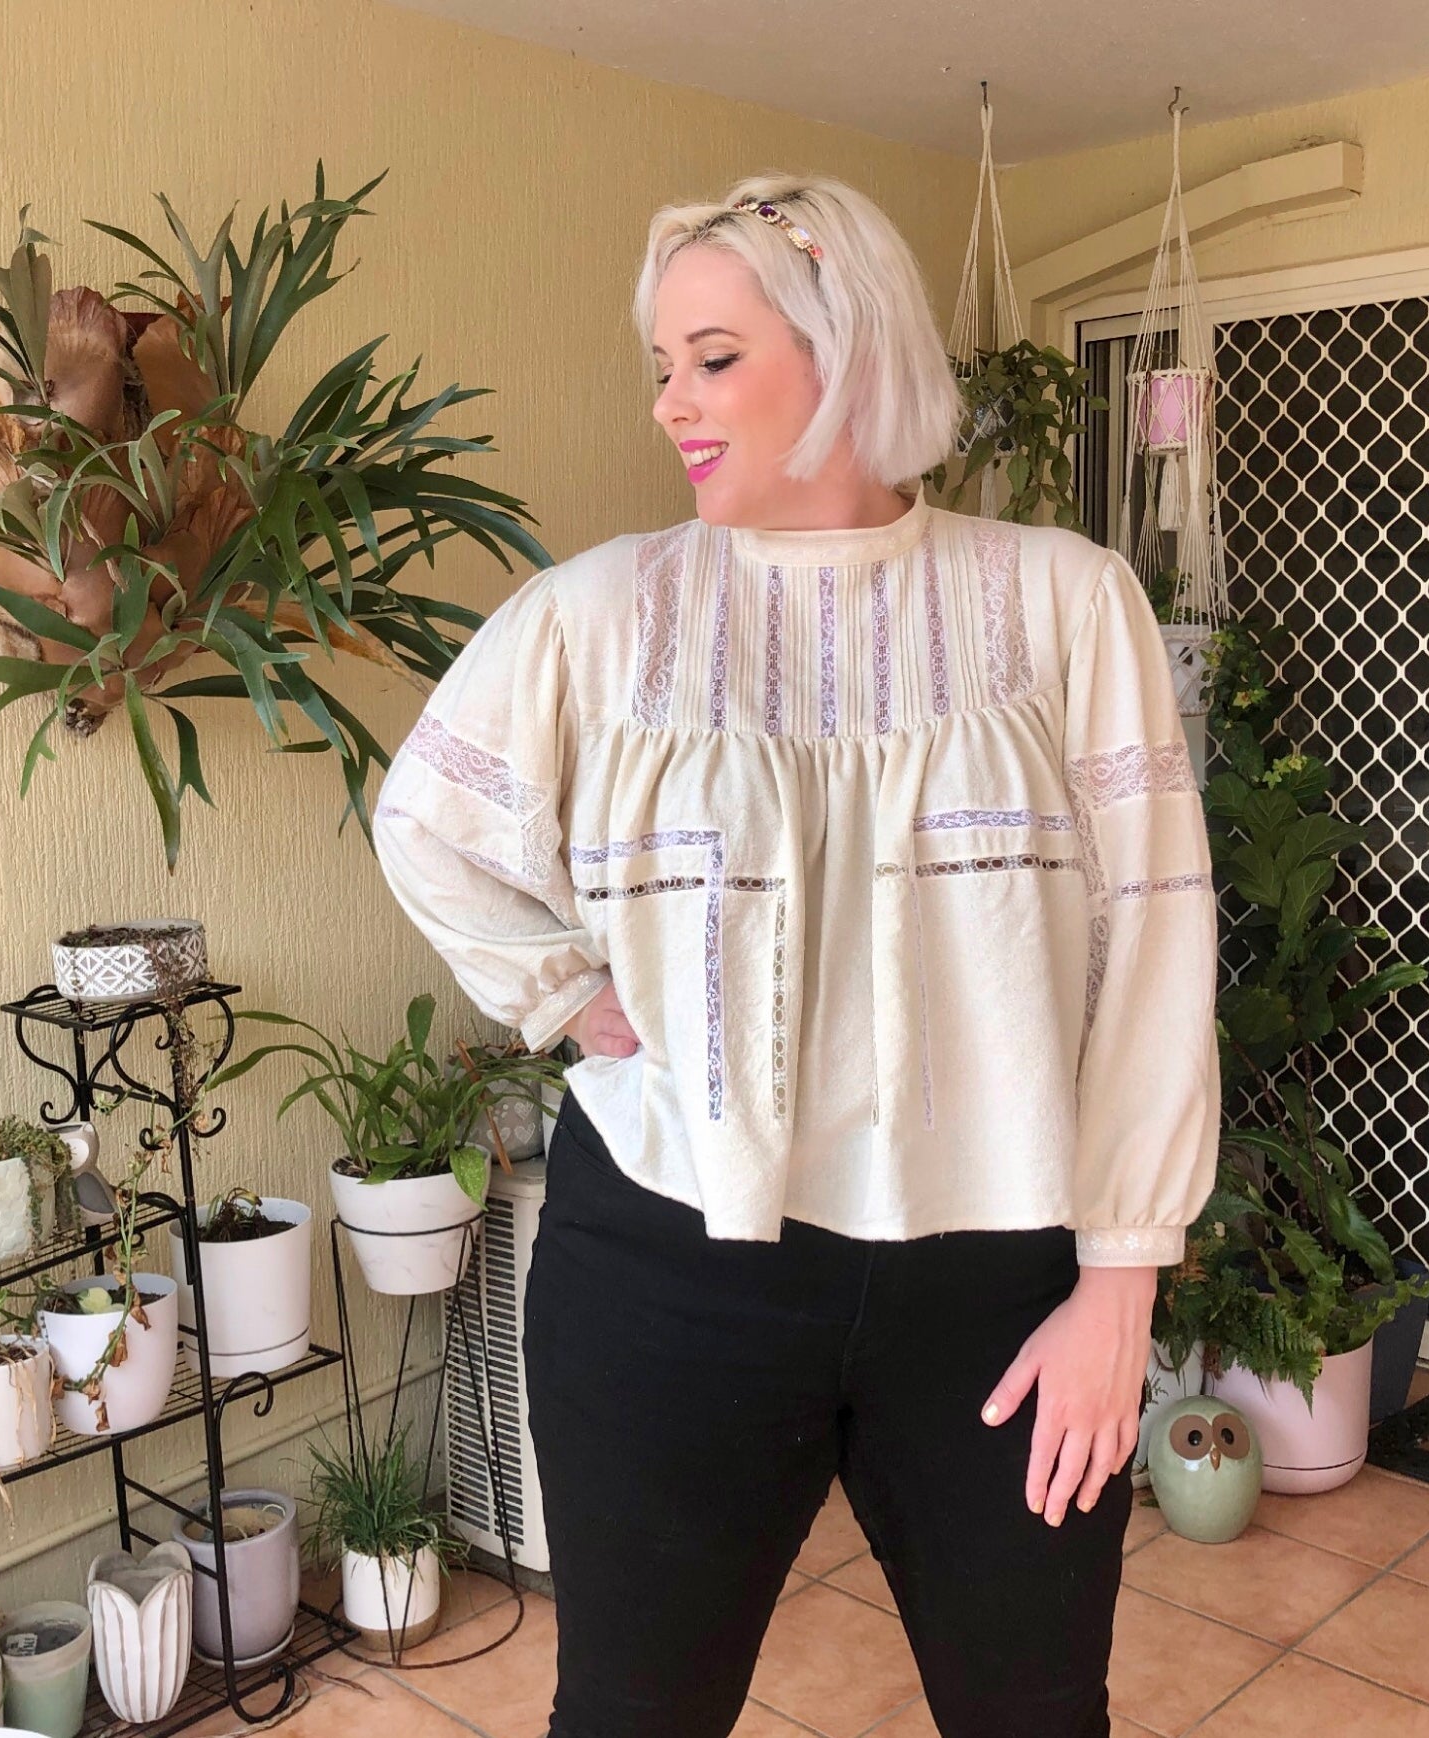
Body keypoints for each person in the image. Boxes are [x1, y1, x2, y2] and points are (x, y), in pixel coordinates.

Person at [372, 173, 1220, 1738]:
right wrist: (559, 984)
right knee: (631, 1713)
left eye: (711, 357)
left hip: (1002, 1284)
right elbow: (426, 817)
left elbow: (1154, 935)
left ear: (844, 346)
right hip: (667, 1264)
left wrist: (1120, 1285)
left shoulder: (1059, 601)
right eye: (661, 366)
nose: (669, 404)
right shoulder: (596, 616)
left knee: (1035, 1711)